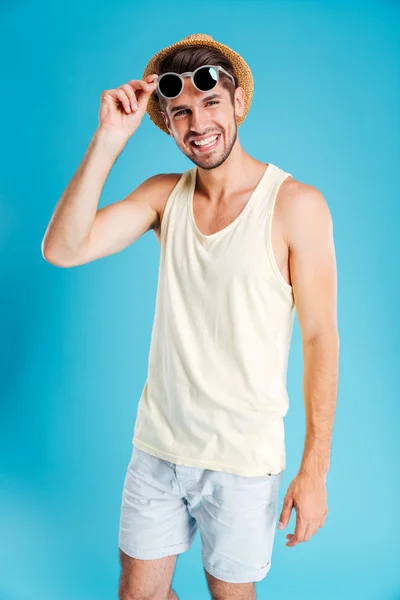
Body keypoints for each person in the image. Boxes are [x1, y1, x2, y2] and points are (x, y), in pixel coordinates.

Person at [41, 33, 339, 600]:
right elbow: (63, 249)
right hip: (157, 448)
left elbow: (322, 337)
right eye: (180, 113)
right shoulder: (162, 196)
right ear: (168, 125)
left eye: (210, 104)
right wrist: (108, 140)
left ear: (238, 103)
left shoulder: (296, 205)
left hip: (242, 462)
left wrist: (315, 468)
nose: (198, 123)